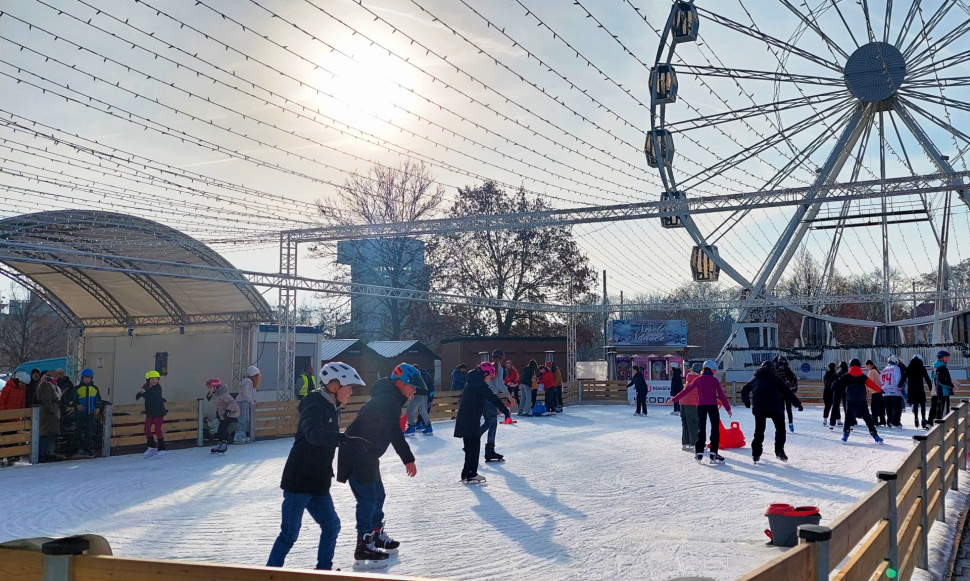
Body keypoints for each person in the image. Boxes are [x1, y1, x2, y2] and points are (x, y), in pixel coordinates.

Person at [267, 362, 365, 571]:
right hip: (299, 482)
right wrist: (343, 439)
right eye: (349, 388)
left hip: (318, 483)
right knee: (289, 534)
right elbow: (313, 434)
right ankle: (269, 573)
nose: (351, 392)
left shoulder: (332, 406)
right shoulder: (314, 404)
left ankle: (324, 571)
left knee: (331, 526)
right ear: (335, 386)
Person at [337, 363, 418, 570]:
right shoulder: (387, 400)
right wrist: (408, 458)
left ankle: (376, 535)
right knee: (367, 500)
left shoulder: (392, 399)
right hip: (357, 453)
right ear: (399, 383)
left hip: (368, 455)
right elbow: (393, 431)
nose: (414, 390)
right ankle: (363, 544)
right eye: (412, 386)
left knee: (378, 496)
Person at [455, 362, 513, 484]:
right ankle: (472, 474)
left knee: (470, 447)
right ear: (485, 373)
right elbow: (493, 398)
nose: (490, 379)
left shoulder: (472, 381)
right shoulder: (479, 385)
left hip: (465, 418)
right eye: (490, 376)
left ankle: (466, 473)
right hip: (470, 419)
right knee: (474, 446)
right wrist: (506, 411)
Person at [671, 360, 731, 464]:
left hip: (701, 406)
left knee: (701, 429)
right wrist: (728, 408)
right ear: (712, 370)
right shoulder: (714, 380)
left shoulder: (698, 379)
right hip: (712, 406)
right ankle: (713, 453)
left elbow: (686, 390)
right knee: (715, 429)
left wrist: (674, 399)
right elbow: (721, 395)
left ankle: (699, 452)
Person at [741, 361, 802, 463]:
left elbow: (744, 390)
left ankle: (756, 454)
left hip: (759, 407)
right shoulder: (776, 378)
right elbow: (787, 392)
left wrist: (747, 402)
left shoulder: (755, 378)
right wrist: (797, 404)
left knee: (759, 430)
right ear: (773, 369)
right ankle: (779, 451)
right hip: (775, 407)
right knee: (780, 429)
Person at [834, 358, 883, 444]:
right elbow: (871, 384)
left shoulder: (847, 376)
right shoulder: (863, 376)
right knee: (867, 418)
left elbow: (837, 383)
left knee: (848, 417)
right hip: (861, 399)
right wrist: (879, 390)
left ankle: (845, 434)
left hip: (850, 399)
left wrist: (832, 387)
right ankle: (875, 435)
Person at [481, 349, 516, 462]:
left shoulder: (489, 366)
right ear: (502, 359)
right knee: (492, 423)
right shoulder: (499, 368)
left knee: (487, 422)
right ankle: (489, 451)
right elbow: (500, 383)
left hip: (483, 397)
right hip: (491, 397)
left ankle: (471, 440)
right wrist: (509, 397)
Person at [0, 372, 30, 467]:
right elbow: (2, 401)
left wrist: (22, 414)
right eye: (22, 383)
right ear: (18, 381)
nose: (23, 385)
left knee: (13, 436)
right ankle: (3, 454)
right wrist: (4, 414)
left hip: (15, 418)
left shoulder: (22, 390)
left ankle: (10, 454)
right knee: (5, 436)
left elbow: (22, 403)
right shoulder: (8, 388)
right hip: (6, 417)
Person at [137, 371, 168, 458]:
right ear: (148, 380)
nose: (154, 381)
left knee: (158, 430)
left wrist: (144, 393)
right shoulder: (146, 387)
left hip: (159, 411)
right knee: (147, 429)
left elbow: (152, 395)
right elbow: (144, 394)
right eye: (152, 379)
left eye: (156, 379)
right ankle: (152, 446)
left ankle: (162, 448)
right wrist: (139, 394)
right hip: (150, 411)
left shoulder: (157, 388)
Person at [207, 378, 239, 454]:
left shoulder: (224, 394)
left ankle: (224, 444)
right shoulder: (215, 394)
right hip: (222, 413)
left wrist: (228, 411)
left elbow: (233, 402)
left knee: (223, 429)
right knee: (220, 430)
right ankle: (220, 444)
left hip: (231, 413)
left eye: (210, 388)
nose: (209, 389)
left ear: (215, 387)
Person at [74, 369, 102, 457]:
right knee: (79, 431)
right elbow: (72, 400)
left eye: (89, 378)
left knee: (89, 432)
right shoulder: (77, 389)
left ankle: (87, 449)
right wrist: (77, 405)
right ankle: (78, 448)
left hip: (90, 414)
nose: (87, 379)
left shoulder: (94, 388)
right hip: (80, 414)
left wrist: (97, 408)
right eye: (86, 378)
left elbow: (98, 400)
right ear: (82, 378)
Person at [36, 374, 61, 463]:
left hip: (50, 413)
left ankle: (48, 453)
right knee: (46, 434)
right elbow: (46, 400)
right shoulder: (47, 386)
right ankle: (44, 454)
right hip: (48, 414)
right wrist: (52, 411)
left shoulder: (47, 386)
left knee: (50, 434)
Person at [678, 363, 702, 451]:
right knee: (693, 422)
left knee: (685, 422)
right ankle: (696, 443)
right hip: (691, 403)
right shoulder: (699, 379)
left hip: (683, 402)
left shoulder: (689, 377)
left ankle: (686, 442)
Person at [404, 364, 433, 435]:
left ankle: (411, 427)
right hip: (424, 393)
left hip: (418, 394)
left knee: (409, 410)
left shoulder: (415, 374)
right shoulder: (424, 373)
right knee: (423, 410)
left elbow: (414, 384)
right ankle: (428, 426)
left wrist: (412, 393)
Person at [906, 354, 932, 429]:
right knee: (922, 403)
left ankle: (916, 418)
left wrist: (899, 385)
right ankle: (923, 419)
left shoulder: (909, 367)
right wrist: (931, 388)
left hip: (911, 389)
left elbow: (904, 376)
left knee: (916, 404)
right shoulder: (921, 368)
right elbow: (927, 378)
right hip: (920, 388)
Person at [774, 357, 799, 432]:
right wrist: (793, 390)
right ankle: (791, 424)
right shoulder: (790, 372)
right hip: (788, 393)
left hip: (780, 393)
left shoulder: (777, 372)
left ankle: (782, 425)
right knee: (789, 409)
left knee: (781, 409)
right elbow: (795, 382)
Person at [236, 366, 260, 443]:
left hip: (244, 401)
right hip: (242, 401)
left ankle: (242, 434)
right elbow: (245, 393)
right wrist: (252, 401)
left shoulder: (247, 381)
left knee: (246, 419)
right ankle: (238, 435)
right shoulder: (248, 382)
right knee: (243, 419)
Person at [930, 350, 955, 424]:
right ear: (941, 358)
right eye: (946, 357)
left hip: (938, 392)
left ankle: (938, 425)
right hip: (943, 392)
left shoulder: (936, 367)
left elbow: (932, 377)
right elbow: (941, 381)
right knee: (944, 410)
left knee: (940, 409)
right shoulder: (942, 368)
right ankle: (942, 427)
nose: (947, 359)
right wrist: (951, 385)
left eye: (948, 357)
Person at [880, 357, 904, 429]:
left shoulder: (884, 369)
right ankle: (896, 422)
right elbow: (898, 378)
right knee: (897, 407)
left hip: (885, 391)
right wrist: (900, 386)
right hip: (894, 390)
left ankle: (889, 421)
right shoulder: (896, 368)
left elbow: (881, 380)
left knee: (888, 408)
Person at [829, 361, 849, 429]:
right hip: (846, 391)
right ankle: (849, 422)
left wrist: (833, 389)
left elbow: (830, 383)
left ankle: (832, 423)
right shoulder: (848, 374)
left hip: (837, 392)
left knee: (835, 407)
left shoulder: (836, 374)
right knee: (847, 407)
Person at [865, 360, 886, 426]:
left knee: (874, 408)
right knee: (881, 407)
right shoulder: (877, 371)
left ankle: (875, 421)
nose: (866, 367)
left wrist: (867, 390)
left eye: (866, 366)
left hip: (875, 392)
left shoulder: (871, 372)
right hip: (880, 391)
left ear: (869, 365)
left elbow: (870, 382)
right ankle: (882, 420)